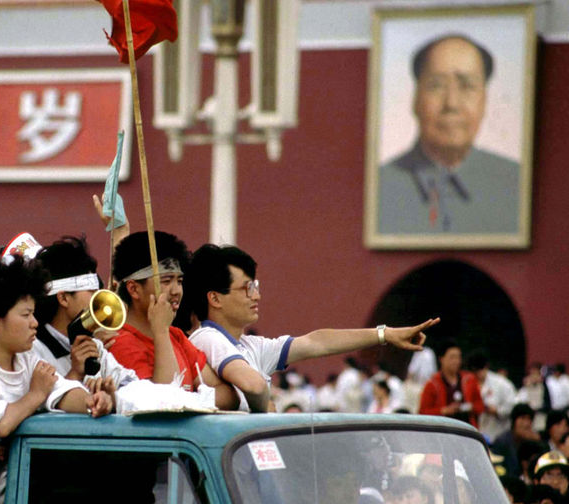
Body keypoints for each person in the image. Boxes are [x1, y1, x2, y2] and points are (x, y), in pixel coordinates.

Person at [0, 256, 113, 504]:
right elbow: (0, 424)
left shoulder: (27, 359)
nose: (35, 323)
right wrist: (34, 396)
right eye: (26, 314)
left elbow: (61, 391)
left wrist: (92, 401)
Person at [185, 244, 436, 412]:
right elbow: (254, 386)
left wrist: (385, 334)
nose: (257, 296)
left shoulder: (250, 346)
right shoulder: (207, 337)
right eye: (247, 288)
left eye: (256, 286)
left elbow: (317, 342)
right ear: (215, 298)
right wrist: (267, 411)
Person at [378, 34, 520, 234]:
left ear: (485, 101)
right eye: (436, 85)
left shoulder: (515, 184)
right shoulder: (379, 188)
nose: (451, 104)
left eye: (467, 86)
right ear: (415, 99)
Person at [106, 231, 239, 410]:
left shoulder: (175, 336)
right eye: (166, 281)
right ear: (134, 289)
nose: (176, 291)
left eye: (180, 281)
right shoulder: (120, 342)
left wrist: (188, 401)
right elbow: (164, 405)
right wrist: (160, 331)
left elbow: (228, 395)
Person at [31, 235, 138, 388]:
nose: (97, 299)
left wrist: (113, 395)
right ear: (63, 298)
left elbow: (129, 383)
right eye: (90, 292)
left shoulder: (93, 345)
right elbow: (41, 402)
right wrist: (75, 374)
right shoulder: (33, 348)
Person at [418, 339, 484, 428]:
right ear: (441, 359)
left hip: (467, 430)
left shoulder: (469, 379)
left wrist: (469, 407)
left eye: (458, 357)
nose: (456, 361)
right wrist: (444, 411)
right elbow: (422, 413)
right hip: (443, 431)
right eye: (452, 357)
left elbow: (480, 406)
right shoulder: (432, 384)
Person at [467, 350, 517, 441]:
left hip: (498, 433)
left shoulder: (501, 383)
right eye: (474, 372)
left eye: (479, 370)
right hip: (477, 432)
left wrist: (497, 411)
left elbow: (512, 405)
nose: (477, 375)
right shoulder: (468, 383)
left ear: (486, 367)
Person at [491, 403, 541, 479]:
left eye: (529, 419)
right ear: (514, 421)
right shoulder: (502, 442)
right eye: (523, 418)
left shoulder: (533, 442)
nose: (526, 423)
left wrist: (539, 443)